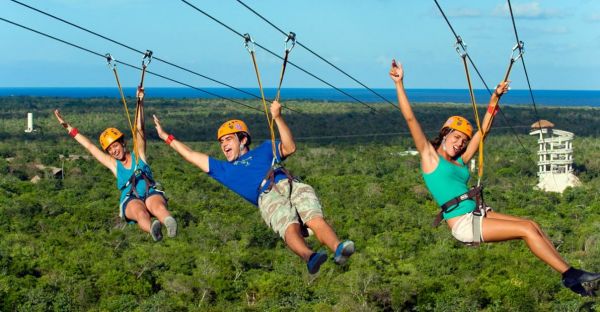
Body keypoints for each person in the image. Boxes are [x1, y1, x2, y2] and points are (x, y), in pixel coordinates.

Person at [389, 59, 600, 296]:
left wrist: (494, 98)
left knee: (532, 224)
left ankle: (569, 274)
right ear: (445, 134)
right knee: (527, 231)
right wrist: (399, 83)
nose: (460, 144)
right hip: (463, 223)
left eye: (463, 141)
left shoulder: (459, 160)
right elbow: (410, 120)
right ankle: (569, 275)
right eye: (456, 137)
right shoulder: (430, 157)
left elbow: (483, 132)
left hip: (477, 213)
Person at [152, 100, 354, 274]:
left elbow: (290, 147)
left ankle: (338, 247)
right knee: (288, 225)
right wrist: (166, 137)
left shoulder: (266, 148)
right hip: (267, 194)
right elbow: (190, 154)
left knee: (314, 217)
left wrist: (277, 118)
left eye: (228, 139)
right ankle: (309, 257)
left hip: (290, 182)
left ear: (243, 139)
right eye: (221, 142)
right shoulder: (223, 169)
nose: (224, 145)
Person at [54, 87, 176, 242]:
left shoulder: (138, 154)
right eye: (110, 149)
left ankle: (168, 221)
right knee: (140, 213)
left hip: (150, 191)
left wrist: (140, 101)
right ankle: (153, 229)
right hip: (130, 198)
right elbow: (90, 147)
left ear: (123, 143)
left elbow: (139, 129)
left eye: (115, 146)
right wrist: (68, 127)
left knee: (157, 206)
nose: (114, 151)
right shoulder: (113, 164)